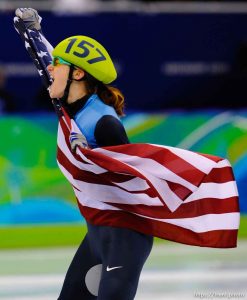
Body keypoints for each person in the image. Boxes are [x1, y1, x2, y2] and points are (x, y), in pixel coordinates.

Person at [15, 8, 153, 300]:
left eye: (58, 66)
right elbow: (44, 59)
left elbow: (135, 184)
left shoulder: (104, 123)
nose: (50, 69)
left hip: (124, 238)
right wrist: (31, 30)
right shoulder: (68, 106)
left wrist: (92, 156)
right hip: (97, 235)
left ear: (78, 73)